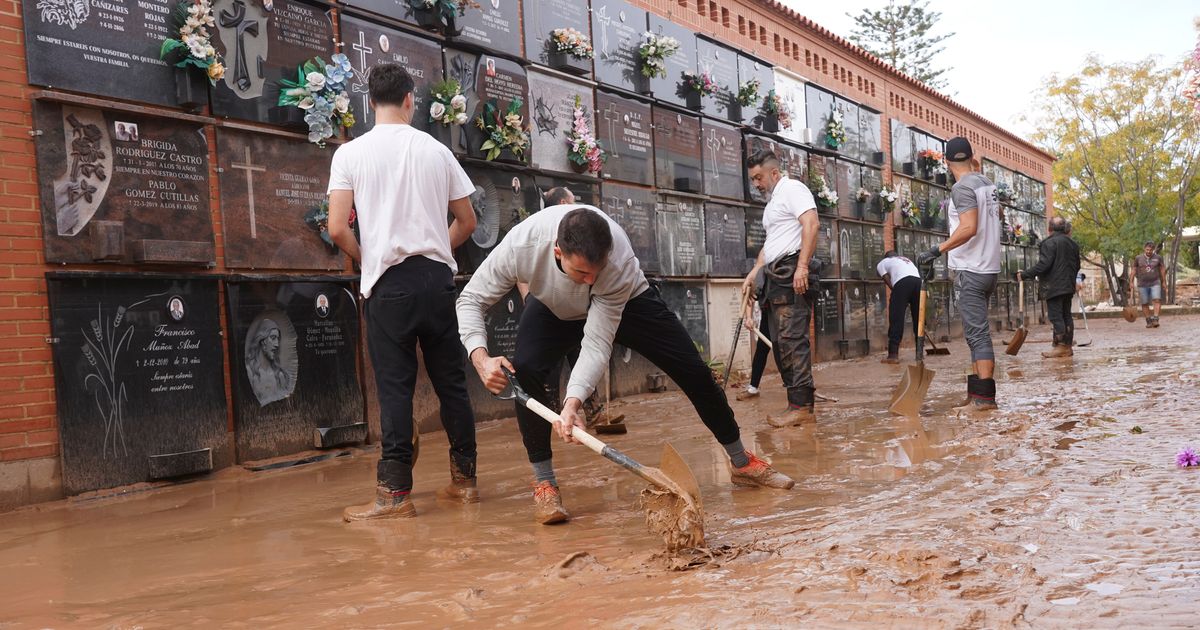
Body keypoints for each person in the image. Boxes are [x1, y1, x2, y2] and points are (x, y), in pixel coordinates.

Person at [458, 205, 794, 525]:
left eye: (595, 271)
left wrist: (573, 402)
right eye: (580, 271)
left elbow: (596, 342)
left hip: (628, 300)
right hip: (552, 305)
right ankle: (545, 484)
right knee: (527, 368)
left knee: (693, 370)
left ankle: (741, 461)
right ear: (557, 253)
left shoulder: (616, 264)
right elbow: (471, 299)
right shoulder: (521, 245)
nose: (589, 280)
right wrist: (480, 356)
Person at [326, 64, 481, 521]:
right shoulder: (436, 150)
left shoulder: (350, 154)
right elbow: (468, 222)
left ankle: (395, 495)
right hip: (437, 281)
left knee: (396, 390)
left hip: (388, 283)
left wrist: (369, 255)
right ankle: (465, 481)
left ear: (369, 103)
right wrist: (435, 247)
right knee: (452, 383)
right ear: (410, 100)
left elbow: (337, 227)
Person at [916, 137, 1002, 411]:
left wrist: (936, 250)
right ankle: (975, 391)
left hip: (971, 269)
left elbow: (968, 228)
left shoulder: (962, 188)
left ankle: (984, 398)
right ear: (971, 158)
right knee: (975, 333)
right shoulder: (986, 184)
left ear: (946, 161)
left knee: (977, 335)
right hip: (988, 268)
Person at [742, 150, 821, 427]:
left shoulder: (792, 189)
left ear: (774, 173)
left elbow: (811, 223)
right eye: (753, 179)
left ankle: (802, 406)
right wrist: (754, 271)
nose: (756, 184)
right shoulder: (773, 203)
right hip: (775, 276)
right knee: (779, 343)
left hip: (791, 272)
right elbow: (770, 244)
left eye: (759, 177)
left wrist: (802, 267)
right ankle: (796, 405)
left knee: (792, 340)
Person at [1018, 216, 1081, 358]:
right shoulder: (1073, 244)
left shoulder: (1049, 243)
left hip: (1054, 286)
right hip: (1068, 286)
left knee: (1056, 316)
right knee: (1066, 315)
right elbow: (1077, 265)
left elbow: (1044, 265)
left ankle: (1061, 347)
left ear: (1049, 229)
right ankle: (1067, 346)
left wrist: (1025, 274)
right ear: (1064, 228)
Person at [875, 251, 922, 364]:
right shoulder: (906, 260)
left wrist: (896, 291)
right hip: (919, 283)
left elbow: (885, 278)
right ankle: (919, 354)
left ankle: (893, 355)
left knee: (896, 317)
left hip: (903, 283)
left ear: (887, 257)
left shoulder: (883, 262)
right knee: (918, 318)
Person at [245, 318, 293, 406]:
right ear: (262, 341)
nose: (277, 344)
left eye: (278, 339)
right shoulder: (249, 372)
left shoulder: (280, 375)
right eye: (273, 338)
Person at [1131, 241, 1167, 328]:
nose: (1148, 251)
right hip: (1142, 284)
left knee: (1157, 300)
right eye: (1147, 249)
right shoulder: (1138, 258)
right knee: (1144, 303)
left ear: (1153, 250)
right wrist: (1131, 282)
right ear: (1144, 249)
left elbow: (1162, 269)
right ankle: (1148, 320)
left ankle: (1155, 319)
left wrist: (1164, 281)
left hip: (1155, 282)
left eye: (1150, 250)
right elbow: (1134, 270)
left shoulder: (1158, 257)